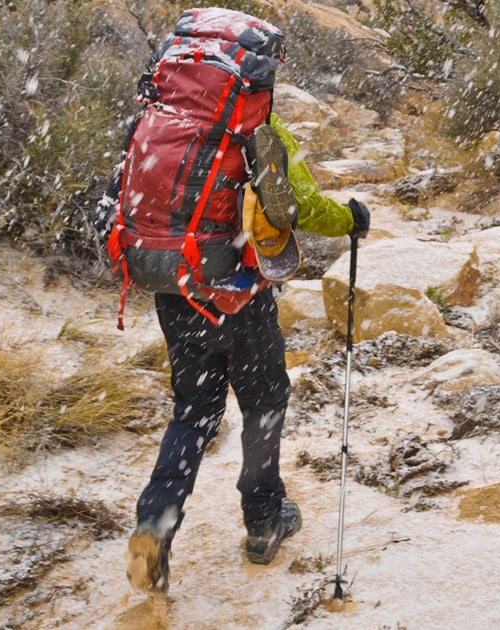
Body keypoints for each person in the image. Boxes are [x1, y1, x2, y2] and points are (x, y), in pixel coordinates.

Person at [97, 111, 370, 594]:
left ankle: (156, 524)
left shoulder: (158, 121)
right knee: (263, 404)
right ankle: (264, 521)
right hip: (241, 296)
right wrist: (351, 218)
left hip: (177, 287)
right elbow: (298, 206)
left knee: (194, 412)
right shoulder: (258, 126)